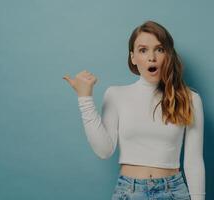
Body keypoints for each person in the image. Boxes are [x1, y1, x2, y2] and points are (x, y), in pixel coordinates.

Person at [63, 20, 205, 200]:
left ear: (168, 55)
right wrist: (85, 98)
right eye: (143, 50)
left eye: (159, 49)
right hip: (129, 192)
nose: (151, 57)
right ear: (133, 57)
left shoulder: (190, 98)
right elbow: (104, 150)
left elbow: (194, 161)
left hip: (174, 192)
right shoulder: (116, 95)